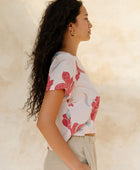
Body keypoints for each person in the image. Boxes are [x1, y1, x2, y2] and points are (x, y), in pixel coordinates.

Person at [23, 0, 100, 169]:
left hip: (77, 152)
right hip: (73, 155)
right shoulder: (65, 63)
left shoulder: (68, 62)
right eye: (85, 18)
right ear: (70, 26)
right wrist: (77, 165)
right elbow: (45, 122)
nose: (90, 24)